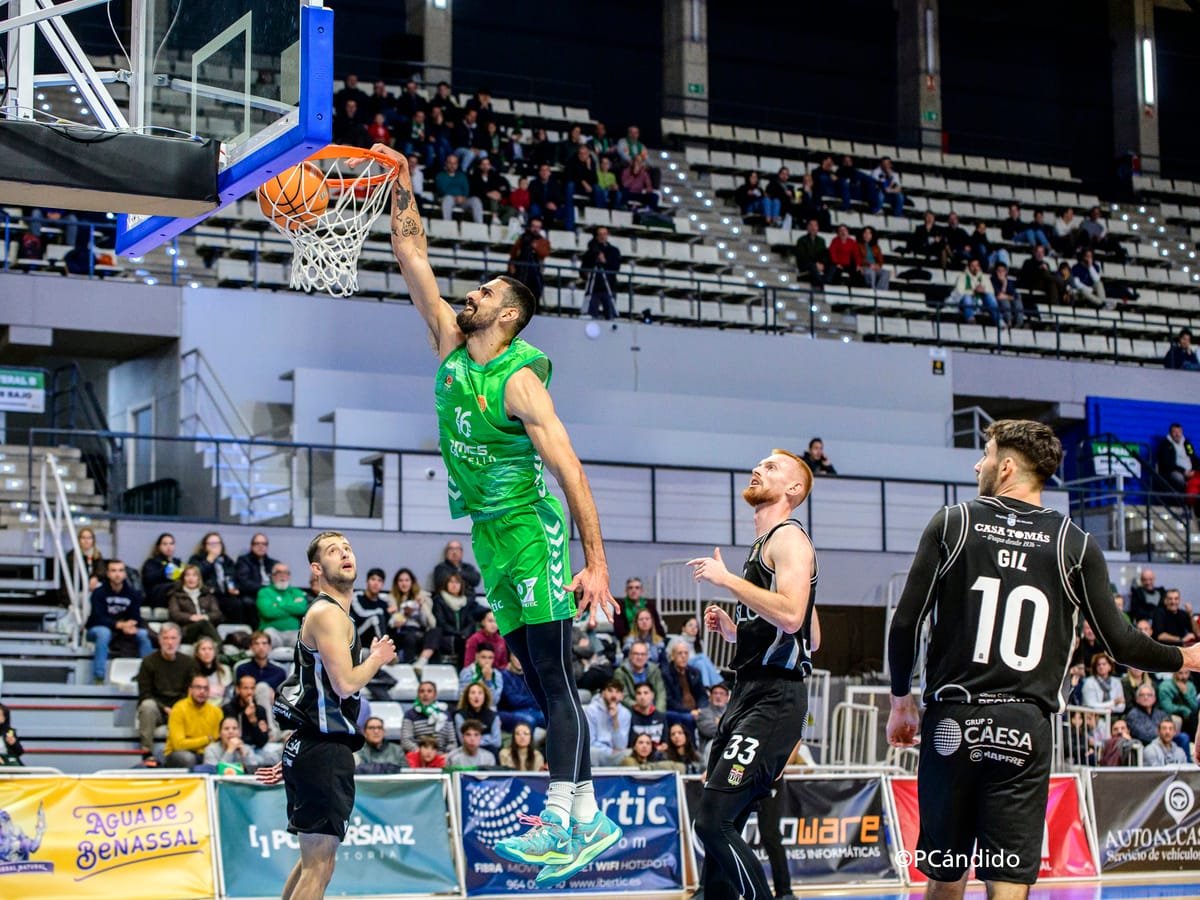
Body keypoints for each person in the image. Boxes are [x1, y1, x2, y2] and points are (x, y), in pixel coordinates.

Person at [382, 144, 621, 884]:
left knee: (552, 676)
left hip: (529, 527)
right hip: (488, 534)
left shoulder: (520, 382)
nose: (470, 296)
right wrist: (401, 183)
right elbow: (411, 251)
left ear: (508, 316)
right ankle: (588, 819)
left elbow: (570, 468)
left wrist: (598, 561)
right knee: (532, 672)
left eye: (485, 292)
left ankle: (562, 818)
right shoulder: (452, 347)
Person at [887, 419, 1198, 898]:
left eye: (986, 454)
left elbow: (905, 623)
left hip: (953, 722)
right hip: (1022, 723)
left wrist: (901, 702)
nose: (978, 464)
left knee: (946, 875)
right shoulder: (1074, 543)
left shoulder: (953, 522)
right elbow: (1120, 643)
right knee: (1009, 881)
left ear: (1006, 467)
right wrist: (1187, 658)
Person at [688, 449, 818, 900]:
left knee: (713, 821)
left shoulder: (790, 541)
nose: (759, 468)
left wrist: (727, 581)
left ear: (794, 489)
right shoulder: (765, 548)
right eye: (759, 463)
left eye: (773, 467)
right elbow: (811, 635)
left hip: (774, 700)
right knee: (721, 828)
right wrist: (737, 626)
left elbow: (794, 617)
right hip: (749, 695)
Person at [255, 531, 396, 900]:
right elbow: (346, 684)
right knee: (319, 867)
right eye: (334, 551)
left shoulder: (330, 613)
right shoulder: (327, 614)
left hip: (311, 746)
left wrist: (294, 755)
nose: (345, 553)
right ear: (317, 568)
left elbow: (311, 689)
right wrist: (377, 659)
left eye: (348, 547)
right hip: (323, 751)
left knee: (310, 863)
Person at [136, 621, 194, 765]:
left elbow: (191, 691)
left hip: (181, 709)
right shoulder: (148, 662)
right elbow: (145, 693)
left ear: (179, 640)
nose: (169, 642)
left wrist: (178, 709)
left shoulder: (188, 662)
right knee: (147, 706)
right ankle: (147, 753)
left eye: (173, 638)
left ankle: (193, 751)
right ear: (160, 640)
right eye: (166, 638)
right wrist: (165, 708)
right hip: (159, 710)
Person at [85, 559, 152, 683]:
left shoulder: (133, 593)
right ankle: (99, 676)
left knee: (143, 634)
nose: (117, 574)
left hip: (122, 628)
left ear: (125, 574)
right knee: (104, 633)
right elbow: (98, 617)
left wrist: (130, 624)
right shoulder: (98, 593)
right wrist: (119, 624)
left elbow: (135, 615)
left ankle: (148, 676)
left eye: (121, 570)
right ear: (108, 574)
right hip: (97, 628)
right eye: (113, 570)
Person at [164, 673, 223, 768]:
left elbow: (217, 740)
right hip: (178, 754)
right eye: (198, 687)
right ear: (190, 690)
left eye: (206, 688)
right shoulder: (179, 708)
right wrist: (206, 739)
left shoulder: (216, 712)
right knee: (188, 758)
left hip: (206, 753)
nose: (202, 691)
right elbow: (178, 745)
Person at [224, 673, 278, 762]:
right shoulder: (229, 709)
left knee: (273, 757)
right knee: (253, 759)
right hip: (238, 748)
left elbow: (263, 741)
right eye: (245, 688)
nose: (249, 692)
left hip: (258, 748)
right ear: (238, 689)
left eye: (252, 688)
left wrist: (253, 720)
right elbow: (230, 737)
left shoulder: (260, 710)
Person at [189, 532, 241, 624]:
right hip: (207, 594)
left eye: (217, 544)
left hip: (226, 594)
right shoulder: (197, 559)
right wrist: (209, 560)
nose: (215, 547)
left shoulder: (227, 561)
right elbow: (195, 575)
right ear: (205, 546)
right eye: (211, 544)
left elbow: (233, 577)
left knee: (238, 604)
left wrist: (234, 588)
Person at [166, 564, 222, 645]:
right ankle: (221, 648)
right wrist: (191, 617)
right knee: (203, 623)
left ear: (199, 579)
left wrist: (205, 617)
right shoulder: (176, 595)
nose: (191, 578)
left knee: (204, 637)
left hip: (205, 630)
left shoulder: (207, 595)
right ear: (183, 578)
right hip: (186, 631)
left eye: (194, 575)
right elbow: (174, 614)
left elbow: (217, 614)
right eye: (187, 575)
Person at [662, 639, 707, 738]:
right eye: (679, 653)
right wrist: (689, 711)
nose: (683, 656)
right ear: (672, 656)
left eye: (686, 653)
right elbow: (669, 701)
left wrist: (701, 709)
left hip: (696, 710)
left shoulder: (695, 672)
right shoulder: (665, 674)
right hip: (677, 711)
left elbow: (702, 695)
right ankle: (692, 748)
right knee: (689, 718)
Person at [257, 563, 309, 647]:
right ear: (273, 576)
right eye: (279, 573)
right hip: (273, 631)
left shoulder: (296, 592)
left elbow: (301, 609)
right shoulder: (264, 592)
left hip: (294, 632)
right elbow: (268, 612)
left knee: (303, 641)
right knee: (268, 636)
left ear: (289, 576)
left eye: (286, 573)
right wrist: (292, 606)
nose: (282, 576)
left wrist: (278, 605)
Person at [236, 631, 289, 713]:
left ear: (270, 647)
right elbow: (239, 693)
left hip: (273, 709)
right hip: (247, 707)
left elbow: (284, 698)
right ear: (251, 647)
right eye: (256, 644)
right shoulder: (242, 669)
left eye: (264, 643)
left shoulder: (279, 672)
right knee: (262, 687)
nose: (261, 647)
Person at [400, 680, 458, 753]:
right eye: (422, 691)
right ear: (418, 695)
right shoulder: (410, 714)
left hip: (441, 757)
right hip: (418, 756)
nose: (425, 694)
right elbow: (406, 741)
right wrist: (423, 753)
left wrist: (445, 755)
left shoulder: (445, 715)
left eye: (429, 691)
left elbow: (452, 742)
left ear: (435, 695)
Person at [432, 571, 477, 664]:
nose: (454, 585)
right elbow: (441, 622)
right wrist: (458, 633)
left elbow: (471, 621)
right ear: (446, 584)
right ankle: (462, 671)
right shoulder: (439, 600)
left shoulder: (466, 601)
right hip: (447, 636)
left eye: (457, 582)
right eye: (451, 582)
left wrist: (465, 633)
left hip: (463, 636)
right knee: (462, 642)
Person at [585, 680, 631, 765]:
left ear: (622, 696)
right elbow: (590, 741)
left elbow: (621, 746)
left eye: (617, 692)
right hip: (598, 751)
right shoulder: (591, 710)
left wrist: (615, 719)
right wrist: (609, 751)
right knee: (591, 752)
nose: (614, 695)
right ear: (603, 693)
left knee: (628, 754)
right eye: (610, 691)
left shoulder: (626, 713)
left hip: (616, 753)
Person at [582, 227, 622, 321]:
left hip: (608, 286)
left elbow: (615, 268)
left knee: (610, 315)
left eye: (604, 234)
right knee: (590, 316)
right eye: (600, 234)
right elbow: (583, 269)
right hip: (593, 288)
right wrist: (586, 274)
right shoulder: (590, 252)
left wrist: (604, 261)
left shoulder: (614, 251)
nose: (602, 236)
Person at [507, 216, 551, 302]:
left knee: (534, 294)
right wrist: (511, 268)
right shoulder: (522, 238)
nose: (535, 229)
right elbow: (513, 253)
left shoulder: (542, 241)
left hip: (535, 272)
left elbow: (544, 253)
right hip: (519, 271)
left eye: (538, 227)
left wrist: (535, 246)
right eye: (534, 226)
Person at [614, 640, 667, 711]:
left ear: (647, 656)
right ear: (630, 655)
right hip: (631, 710)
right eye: (636, 654)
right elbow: (623, 696)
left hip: (653, 710)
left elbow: (661, 694)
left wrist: (658, 712)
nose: (639, 657)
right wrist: (639, 708)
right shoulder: (620, 672)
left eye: (643, 654)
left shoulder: (654, 670)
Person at [234, 534, 278, 617]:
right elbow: (245, 583)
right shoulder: (244, 561)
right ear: (251, 546)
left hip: (272, 594)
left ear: (267, 546)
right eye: (257, 543)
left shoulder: (273, 563)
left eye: (264, 544)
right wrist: (265, 589)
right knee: (248, 602)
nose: (260, 546)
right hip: (254, 594)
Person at [612, 577, 666, 644]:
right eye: (630, 588)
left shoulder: (650, 606)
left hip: (650, 639)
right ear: (626, 591)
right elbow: (619, 631)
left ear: (642, 590)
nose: (634, 590)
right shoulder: (620, 607)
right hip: (630, 640)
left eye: (637, 588)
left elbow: (658, 626)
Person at [456, 681, 502, 756]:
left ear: (485, 696)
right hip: (466, 752)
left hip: (489, 751)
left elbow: (497, 742)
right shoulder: (459, 715)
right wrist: (488, 737)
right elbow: (463, 741)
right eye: (473, 693)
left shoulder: (493, 716)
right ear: (467, 696)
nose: (476, 696)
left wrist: (474, 741)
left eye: (480, 693)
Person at [351, 567, 392, 646]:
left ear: (382, 584)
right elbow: (361, 614)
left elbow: (387, 624)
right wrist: (381, 612)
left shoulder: (383, 603)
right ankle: (384, 648)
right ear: (367, 581)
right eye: (373, 579)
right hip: (357, 636)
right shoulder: (357, 596)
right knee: (376, 618)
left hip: (373, 641)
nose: (376, 583)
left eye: (379, 580)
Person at [950, 258, 999, 324]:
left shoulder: (984, 277)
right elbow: (959, 292)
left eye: (977, 265)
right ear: (969, 267)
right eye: (973, 266)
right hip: (964, 302)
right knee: (967, 298)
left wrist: (983, 291)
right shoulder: (962, 277)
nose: (975, 268)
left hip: (981, 301)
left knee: (990, 296)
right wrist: (974, 291)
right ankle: (970, 319)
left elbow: (991, 291)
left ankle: (999, 320)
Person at [1156, 424, 1200, 495]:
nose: (1177, 434)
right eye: (1174, 432)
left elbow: (1193, 456)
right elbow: (1167, 463)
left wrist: (1194, 470)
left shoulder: (1187, 443)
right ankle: (1185, 498)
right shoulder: (1166, 445)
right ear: (1170, 433)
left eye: (1179, 432)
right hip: (1174, 471)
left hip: (1190, 471)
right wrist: (1183, 471)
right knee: (1178, 478)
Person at [678, 616, 723, 687]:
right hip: (683, 664)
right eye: (690, 625)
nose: (693, 628)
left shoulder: (699, 643)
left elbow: (704, 663)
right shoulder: (678, 640)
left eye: (696, 626)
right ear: (683, 628)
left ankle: (706, 687)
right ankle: (718, 683)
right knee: (702, 657)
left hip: (695, 667)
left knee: (701, 663)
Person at [141, 533, 182, 608]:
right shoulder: (152, 562)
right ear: (158, 547)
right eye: (165, 544)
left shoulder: (178, 563)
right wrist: (165, 571)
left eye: (171, 543)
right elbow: (148, 579)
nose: (169, 547)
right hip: (158, 596)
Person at [628, 682, 668, 749]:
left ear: (652, 695)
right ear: (635, 697)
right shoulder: (628, 717)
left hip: (657, 755)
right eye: (639, 693)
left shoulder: (661, 717)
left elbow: (665, 744)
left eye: (646, 693)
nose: (642, 697)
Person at [696, 682, 730, 760]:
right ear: (710, 697)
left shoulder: (733, 713)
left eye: (721, 693)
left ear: (727, 698)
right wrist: (727, 724)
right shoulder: (703, 713)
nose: (718, 696)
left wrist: (719, 723)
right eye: (715, 693)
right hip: (709, 752)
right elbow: (709, 731)